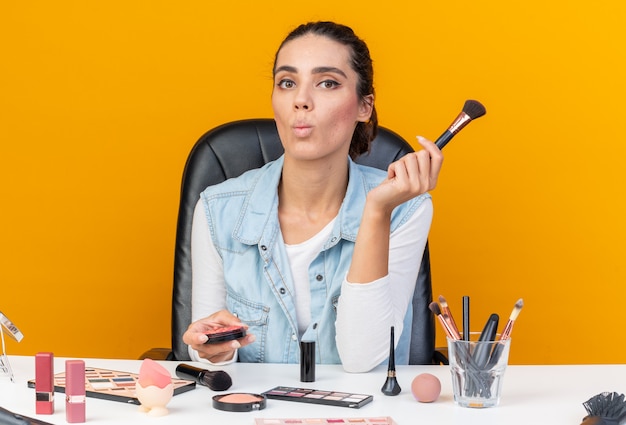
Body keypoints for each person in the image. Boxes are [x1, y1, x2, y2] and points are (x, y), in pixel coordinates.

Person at [182, 21, 443, 373]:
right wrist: (213, 348)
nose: (301, 101)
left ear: (364, 106)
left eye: (327, 83)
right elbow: (208, 350)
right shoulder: (217, 209)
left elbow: (363, 358)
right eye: (287, 83)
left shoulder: (405, 209)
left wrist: (377, 212)